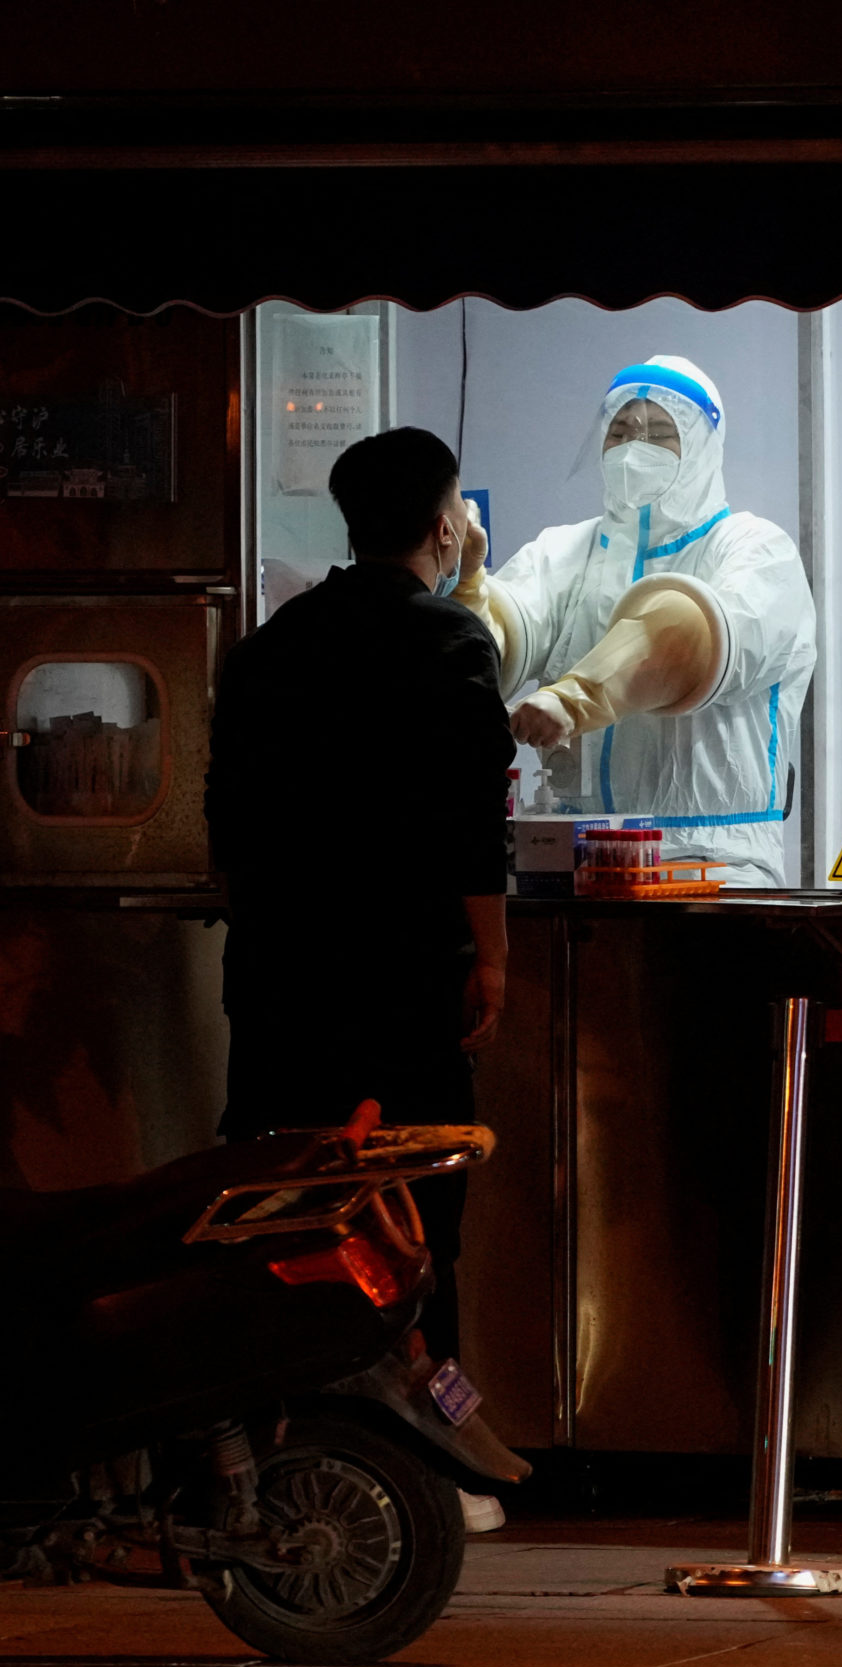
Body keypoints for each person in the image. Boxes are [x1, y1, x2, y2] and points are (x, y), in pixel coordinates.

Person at [207, 427, 515, 1479]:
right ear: (442, 524)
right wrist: (495, 960)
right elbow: (475, 822)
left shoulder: (272, 646)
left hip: (282, 983)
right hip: (401, 985)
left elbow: (227, 829)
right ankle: (423, 1462)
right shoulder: (448, 643)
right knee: (417, 1219)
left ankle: (267, 1444)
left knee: (278, 1209)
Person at [447, 358, 815, 886]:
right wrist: (472, 590)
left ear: (704, 447)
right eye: (619, 432)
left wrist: (575, 697)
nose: (632, 448)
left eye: (660, 433)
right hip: (578, 861)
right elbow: (500, 640)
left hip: (712, 861)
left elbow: (688, 636)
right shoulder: (567, 550)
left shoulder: (755, 550)